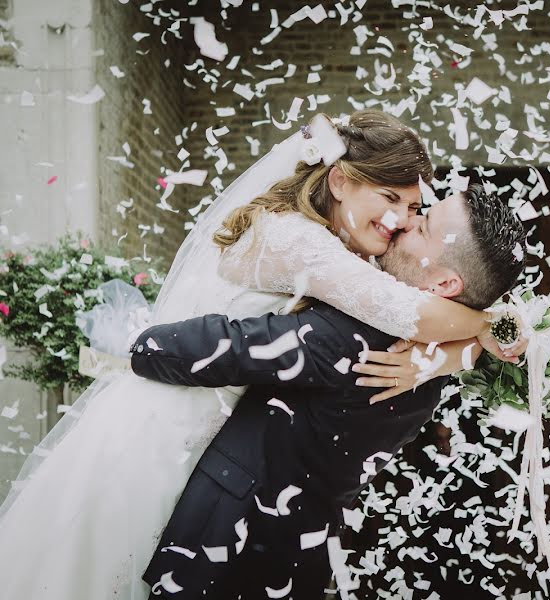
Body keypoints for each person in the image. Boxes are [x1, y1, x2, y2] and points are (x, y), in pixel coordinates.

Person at [0, 110, 522, 600]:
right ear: (340, 181)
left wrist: (466, 347)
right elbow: (408, 307)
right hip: (176, 426)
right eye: (394, 201)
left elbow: (249, 345)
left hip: (221, 473)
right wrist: (483, 327)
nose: (402, 222)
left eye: (416, 215)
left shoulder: (374, 320)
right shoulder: (304, 245)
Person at [131, 185, 527, 599]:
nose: (405, 221)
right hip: (293, 560)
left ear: (445, 283)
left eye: (422, 226)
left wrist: (136, 343)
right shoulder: (439, 358)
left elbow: (184, 350)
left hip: (228, 549)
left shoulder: (360, 339)